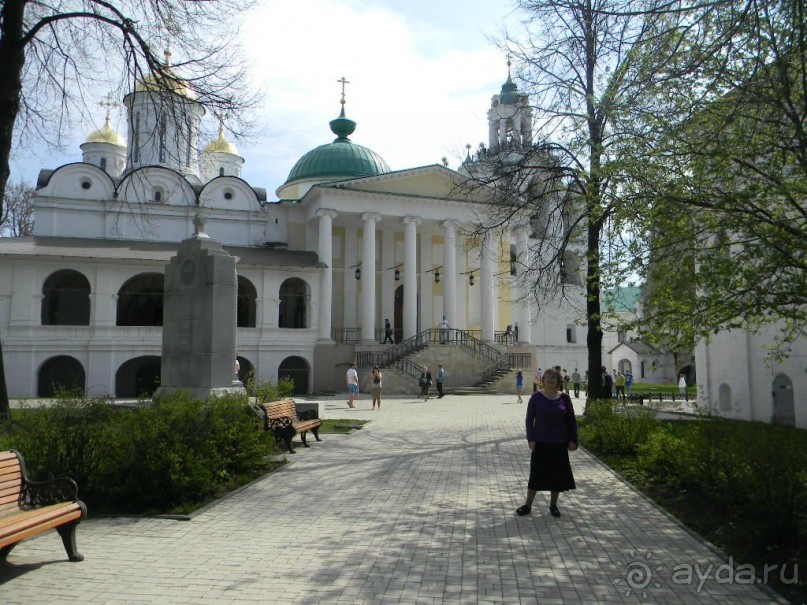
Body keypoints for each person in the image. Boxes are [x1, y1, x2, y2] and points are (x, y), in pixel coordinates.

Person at [515, 368, 578, 518]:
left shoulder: (564, 398)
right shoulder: (536, 397)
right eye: (548, 377)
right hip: (541, 442)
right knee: (536, 475)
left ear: (558, 381)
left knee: (556, 476)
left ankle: (553, 505)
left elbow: (572, 421)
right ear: (543, 380)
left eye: (553, 378)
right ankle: (528, 505)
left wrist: (573, 440)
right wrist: (531, 438)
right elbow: (529, 420)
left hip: (559, 442)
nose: (550, 380)